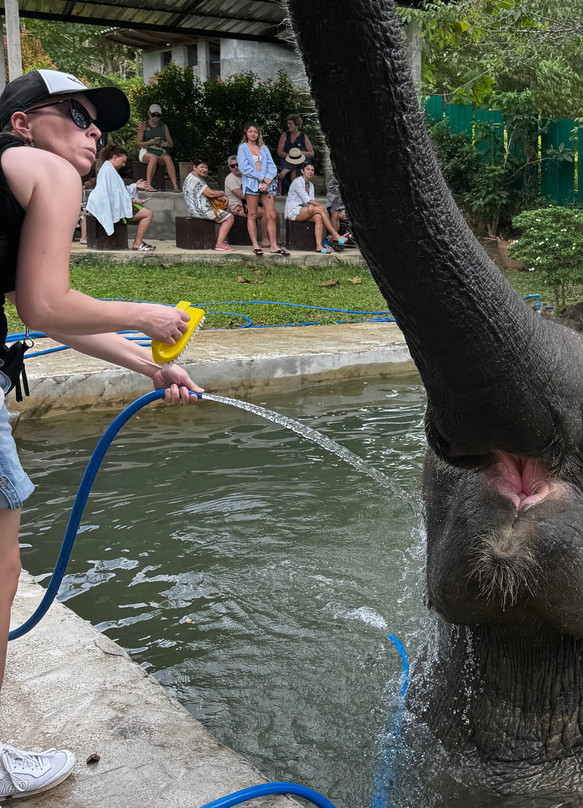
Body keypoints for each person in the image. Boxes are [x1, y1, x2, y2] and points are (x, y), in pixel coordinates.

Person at [0, 68, 200, 800]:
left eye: (99, 123)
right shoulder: (48, 170)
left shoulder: (11, 170)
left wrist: (148, 366)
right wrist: (147, 315)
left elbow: (40, 315)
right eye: (77, 114)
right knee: (0, 571)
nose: (93, 132)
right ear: (24, 123)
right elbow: (50, 300)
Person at [85, 144, 155, 251]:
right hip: (110, 207)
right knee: (147, 214)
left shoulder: (109, 169)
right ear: (115, 157)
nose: (123, 164)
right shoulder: (108, 171)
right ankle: (138, 243)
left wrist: (135, 186)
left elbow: (119, 192)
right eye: (122, 161)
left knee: (146, 212)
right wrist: (136, 201)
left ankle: (138, 242)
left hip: (114, 204)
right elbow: (115, 197)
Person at [236, 122, 288, 256]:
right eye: (250, 131)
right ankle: (255, 245)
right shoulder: (243, 148)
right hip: (252, 184)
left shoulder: (263, 148)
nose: (253, 134)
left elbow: (271, 165)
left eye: (255, 132)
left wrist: (268, 180)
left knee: (270, 215)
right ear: (246, 133)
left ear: (258, 134)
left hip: (267, 185)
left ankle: (274, 245)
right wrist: (261, 178)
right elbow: (244, 168)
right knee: (252, 214)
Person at [285, 162, 348, 253]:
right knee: (320, 209)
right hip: (293, 210)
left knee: (318, 217)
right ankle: (335, 235)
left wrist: (311, 205)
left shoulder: (311, 185)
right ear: (302, 171)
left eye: (312, 170)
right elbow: (307, 199)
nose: (310, 172)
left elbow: (311, 200)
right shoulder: (297, 182)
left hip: (304, 210)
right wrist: (318, 206)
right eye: (308, 170)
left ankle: (319, 246)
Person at [182, 158, 235, 252]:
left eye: (206, 167)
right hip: (202, 211)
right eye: (201, 167)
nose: (204, 169)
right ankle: (220, 244)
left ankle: (219, 241)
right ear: (194, 167)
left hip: (196, 209)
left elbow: (209, 192)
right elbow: (211, 194)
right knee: (229, 218)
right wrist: (223, 193)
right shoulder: (195, 179)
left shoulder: (191, 177)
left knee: (224, 214)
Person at [223, 156, 274, 248]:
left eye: (238, 165)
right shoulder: (230, 179)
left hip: (251, 204)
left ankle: (276, 240)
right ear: (230, 168)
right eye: (233, 166)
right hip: (238, 207)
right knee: (265, 213)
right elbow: (241, 195)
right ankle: (265, 240)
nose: (236, 167)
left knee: (275, 213)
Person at [135, 103, 179, 193]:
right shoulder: (143, 125)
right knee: (153, 157)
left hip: (159, 150)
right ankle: (149, 185)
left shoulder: (163, 126)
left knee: (167, 158)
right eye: (153, 115)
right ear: (149, 113)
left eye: (158, 116)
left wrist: (164, 144)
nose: (155, 118)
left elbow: (170, 144)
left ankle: (175, 186)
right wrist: (149, 142)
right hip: (146, 150)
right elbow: (139, 143)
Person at [276, 114, 314, 190]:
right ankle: (296, 191)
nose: (288, 126)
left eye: (291, 124)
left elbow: (311, 153)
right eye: (288, 124)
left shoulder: (303, 136)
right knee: (294, 165)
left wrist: (300, 154)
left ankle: (283, 173)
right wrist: (292, 156)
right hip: (287, 160)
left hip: (301, 161)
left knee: (297, 164)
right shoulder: (285, 135)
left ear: (297, 126)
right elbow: (280, 152)